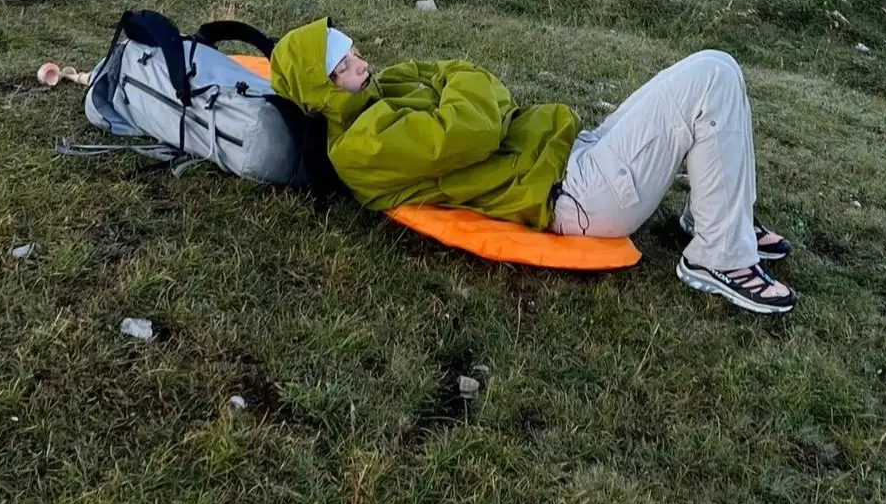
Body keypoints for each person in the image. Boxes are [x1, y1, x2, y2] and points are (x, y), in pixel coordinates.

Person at [271, 17, 796, 315]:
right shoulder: (362, 145)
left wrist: (463, 92)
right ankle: (717, 256)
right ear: (320, 90)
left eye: (352, 52)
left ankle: (715, 219)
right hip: (576, 197)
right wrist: (464, 93)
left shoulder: (384, 89)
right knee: (712, 77)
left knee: (713, 68)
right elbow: (474, 122)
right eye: (342, 67)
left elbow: (467, 81)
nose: (361, 64)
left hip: (565, 154)